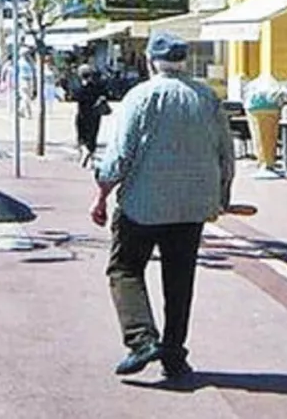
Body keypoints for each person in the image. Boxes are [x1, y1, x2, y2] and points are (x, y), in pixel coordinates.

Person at [91, 31, 234, 382]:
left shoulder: (140, 96)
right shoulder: (207, 97)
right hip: (191, 207)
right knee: (180, 279)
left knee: (124, 268)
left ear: (152, 62)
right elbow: (226, 154)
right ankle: (174, 353)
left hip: (143, 203)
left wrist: (102, 194)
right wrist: (221, 197)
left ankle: (141, 339)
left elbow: (120, 155)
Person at [72, 63, 110, 167]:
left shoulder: (79, 88)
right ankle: (91, 161)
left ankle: (84, 151)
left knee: (82, 137)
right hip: (95, 115)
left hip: (83, 114)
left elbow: (74, 96)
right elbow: (106, 94)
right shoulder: (97, 86)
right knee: (93, 137)